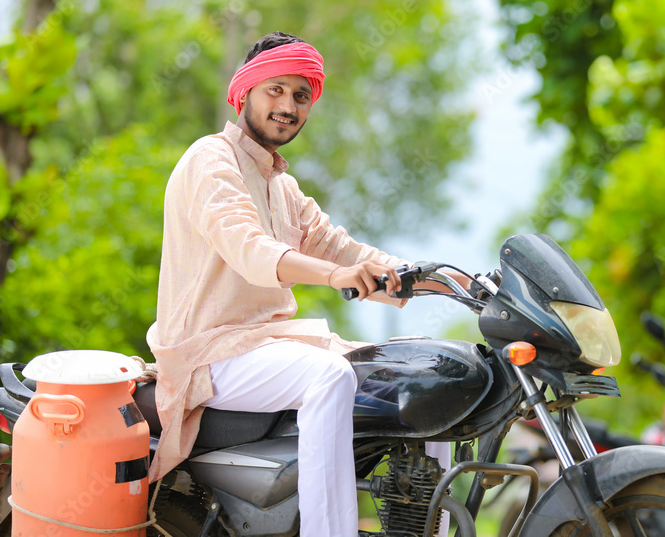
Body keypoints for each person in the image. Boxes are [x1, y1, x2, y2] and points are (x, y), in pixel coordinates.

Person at [146, 31, 465, 536]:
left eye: (300, 96)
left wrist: (448, 280)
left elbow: (344, 249)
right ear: (244, 92)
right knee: (327, 377)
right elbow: (252, 250)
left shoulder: (282, 185)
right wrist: (338, 277)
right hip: (210, 351)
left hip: (267, 346)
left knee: (427, 371)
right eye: (275, 90)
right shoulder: (210, 160)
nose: (287, 106)